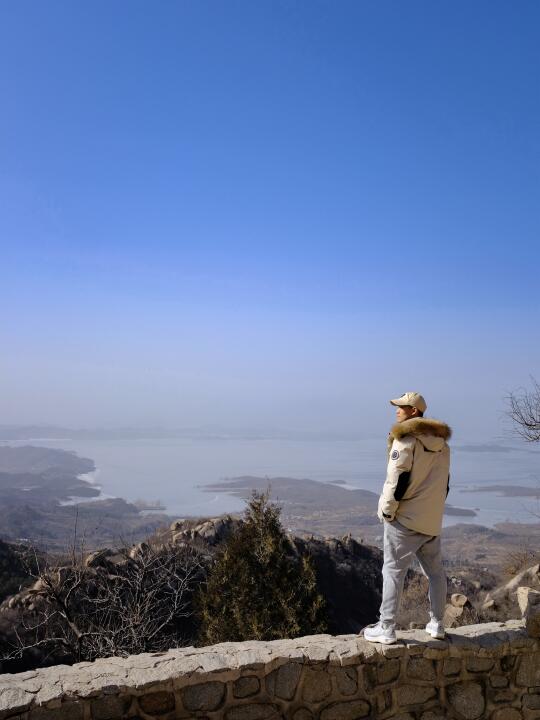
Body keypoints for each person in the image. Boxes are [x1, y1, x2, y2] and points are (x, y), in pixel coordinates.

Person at [363, 392, 451, 644]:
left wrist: (387, 511)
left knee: (392, 571)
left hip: (405, 521)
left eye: (402, 407)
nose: (397, 411)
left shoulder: (405, 440)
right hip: (431, 521)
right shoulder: (443, 445)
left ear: (414, 411)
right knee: (435, 573)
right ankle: (437, 624)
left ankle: (387, 627)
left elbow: (396, 480)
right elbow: (444, 485)